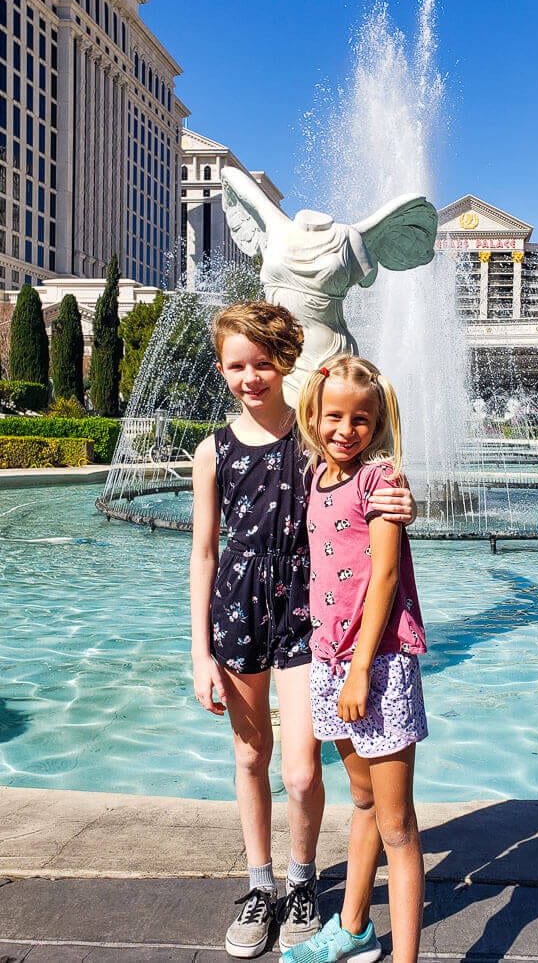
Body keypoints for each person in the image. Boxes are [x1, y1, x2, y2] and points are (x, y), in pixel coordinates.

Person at [190, 303, 414, 959]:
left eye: (263, 363)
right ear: (222, 368)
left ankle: (302, 876)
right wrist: (199, 649)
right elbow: (204, 551)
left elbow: (367, 483)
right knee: (250, 755)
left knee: (300, 768)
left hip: (301, 614)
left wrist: (405, 499)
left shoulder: (314, 439)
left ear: (287, 363)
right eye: (236, 365)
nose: (250, 376)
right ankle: (259, 884)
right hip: (236, 611)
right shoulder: (213, 450)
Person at [283, 355, 427, 963]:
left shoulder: (379, 480)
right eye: (334, 415)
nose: (346, 429)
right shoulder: (317, 474)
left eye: (361, 419)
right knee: (363, 801)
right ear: (312, 416)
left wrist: (362, 666)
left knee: (397, 825)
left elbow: (386, 575)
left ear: (378, 422)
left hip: (378, 663)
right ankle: (355, 930)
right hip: (329, 662)